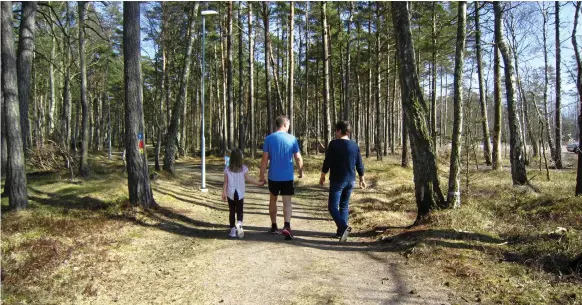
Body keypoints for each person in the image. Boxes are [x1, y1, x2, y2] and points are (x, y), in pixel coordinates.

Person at [319, 121, 366, 243]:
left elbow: (327, 161)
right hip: (351, 180)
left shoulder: (334, 144)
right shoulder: (354, 145)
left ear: (339, 131)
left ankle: (344, 227)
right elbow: (359, 163)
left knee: (332, 206)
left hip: (337, 180)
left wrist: (323, 175)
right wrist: (362, 178)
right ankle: (341, 233)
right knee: (344, 206)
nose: (335, 133)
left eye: (336, 130)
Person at [259, 116, 304, 240]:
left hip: (274, 176)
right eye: (288, 124)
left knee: (273, 200)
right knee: (287, 202)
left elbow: (264, 160)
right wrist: (301, 171)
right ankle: (287, 226)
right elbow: (298, 158)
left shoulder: (269, 139)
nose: (289, 126)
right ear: (284, 124)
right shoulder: (292, 139)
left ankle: (274, 226)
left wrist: (261, 175)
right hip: (287, 176)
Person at [222, 148, 264, 238]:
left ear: (231, 158)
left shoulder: (227, 169)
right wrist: (258, 183)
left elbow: (225, 182)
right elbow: (249, 179)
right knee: (240, 210)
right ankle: (239, 223)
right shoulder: (243, 169)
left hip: (230, 193)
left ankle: (232, 230)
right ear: (240, 158)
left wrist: (224, 192)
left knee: (232, 211)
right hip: (240, 193)